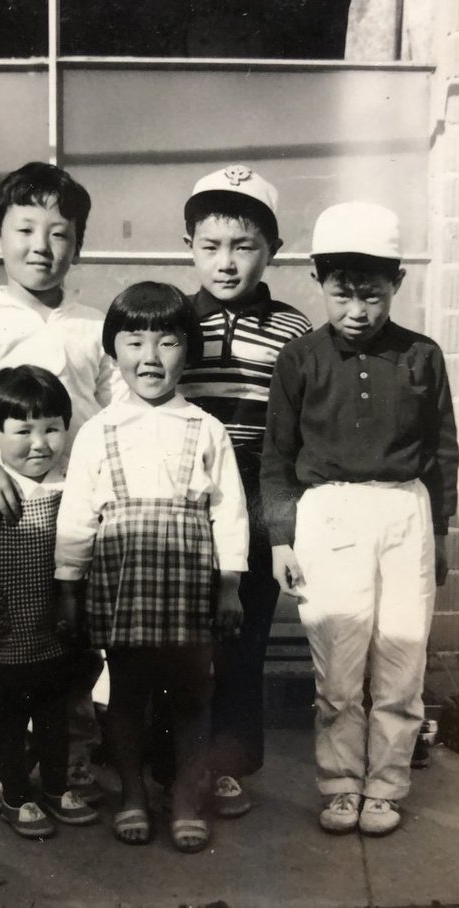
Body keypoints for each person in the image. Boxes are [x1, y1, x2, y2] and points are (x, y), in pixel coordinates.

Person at [261, 201, 459, 836]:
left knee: (402, 655)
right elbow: (277, 456)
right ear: (319, 282)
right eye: (342, 293)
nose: (356, 311)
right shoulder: (300, 359)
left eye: (372, 295)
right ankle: (342, 783)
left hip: (405, 510)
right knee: (339, 665)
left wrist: (439, 532)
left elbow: (442, 451)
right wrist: (281, 538)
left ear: (396, 283)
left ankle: (387, 786)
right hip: (329, 513)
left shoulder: (422, 355)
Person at [0, 161, 115, 811]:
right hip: (4, 505)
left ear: (78, 246)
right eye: (25, 229)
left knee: (74, 635)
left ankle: (75, 755)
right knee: (3, 631)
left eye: (60, 233)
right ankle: (9, 762)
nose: (42, 246)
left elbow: (115, 411)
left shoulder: (94, 325)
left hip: (74, 502)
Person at [55, 282, 250, 853]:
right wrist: (69, 590)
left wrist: (230, 585)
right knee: (128, 695)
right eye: (134, 342)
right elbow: (76, 517)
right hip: (123, 585)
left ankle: (186, 796)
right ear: (113, 349)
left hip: (190, 585)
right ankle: (133, 794)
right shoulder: (98, 431)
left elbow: (230, 512)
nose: (150, 357)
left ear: (188, 349)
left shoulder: (206, 429)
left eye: (167, 342)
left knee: (193, 694)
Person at [151, 165, 311, 818]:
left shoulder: (293, 330)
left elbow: (294, 439)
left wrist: (283, 527)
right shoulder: (172, 320)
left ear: (272, 250)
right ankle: (168, 763)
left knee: (240, 641)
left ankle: (225, 766)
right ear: (188, 246)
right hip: (182, 497)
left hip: (255, 492)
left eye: (243, 246)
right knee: (175, 641)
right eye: (210, 245)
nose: (225, 262)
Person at [0, 365, 99, 839]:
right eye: (23, 431)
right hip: (3, 635)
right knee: (9, 719)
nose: (40, 444)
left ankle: (55, 788)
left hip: (56, 630)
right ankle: (15, 795)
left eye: (52, 428)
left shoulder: (73, 492)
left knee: (55, 716)